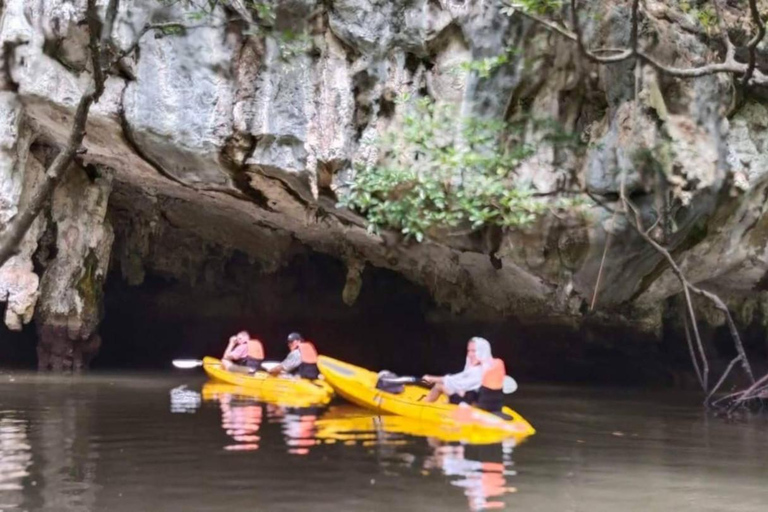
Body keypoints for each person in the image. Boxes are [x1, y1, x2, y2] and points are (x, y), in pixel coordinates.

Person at [422, 337, 507, 413]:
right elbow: (459, 380)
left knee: (439, 385)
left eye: (473, 351)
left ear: (482, 351)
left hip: (469, 407)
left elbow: (453, 381)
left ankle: (423, 405)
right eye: (469, 351)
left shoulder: (479, 370)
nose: (470, 354)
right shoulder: (490, 366)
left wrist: (431, 378)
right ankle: (447, 405)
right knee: (458, 389)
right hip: (479, 403)